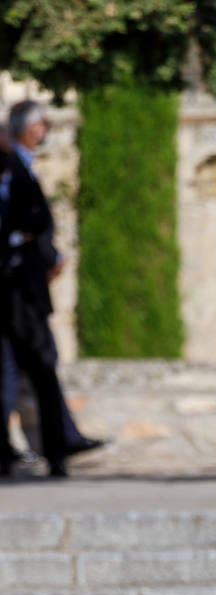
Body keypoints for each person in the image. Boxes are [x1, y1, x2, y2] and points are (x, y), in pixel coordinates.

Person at [0, 102, 103, 477]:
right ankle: (45, 449)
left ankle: (56, 446)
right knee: (25, 369)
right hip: (15, 288)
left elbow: (37, 221)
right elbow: (32, 222)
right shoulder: (15, 168)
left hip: (24, 285)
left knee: (30, 369)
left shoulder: (19, 171)